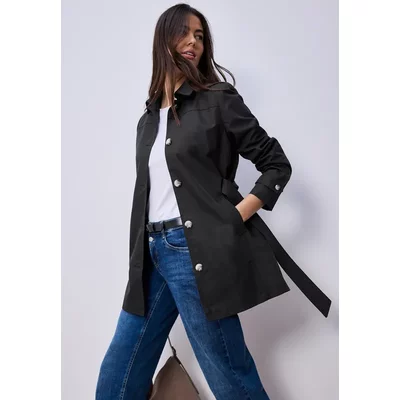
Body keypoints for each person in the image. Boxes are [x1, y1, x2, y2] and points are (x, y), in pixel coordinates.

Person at [95, 3, 331, 399]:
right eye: (184, 33)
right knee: (119, 373)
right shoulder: (148, 118)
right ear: (163, 39)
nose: (193, 42)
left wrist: (232, 218)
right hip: (150, 255)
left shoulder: (218, 100)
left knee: (229, 377)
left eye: (200, 36)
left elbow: (276, 165)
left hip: (195, 254)